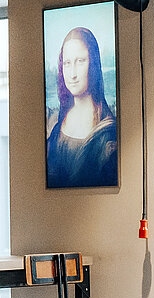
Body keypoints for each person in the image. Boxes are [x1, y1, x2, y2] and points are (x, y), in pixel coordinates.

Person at [46, 27, 117, 188]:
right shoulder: (58, 126)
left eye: (80, 61)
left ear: (93, 63)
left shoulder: (108, 132)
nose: (72, 74)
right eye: (67, 63)